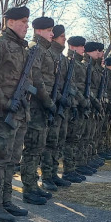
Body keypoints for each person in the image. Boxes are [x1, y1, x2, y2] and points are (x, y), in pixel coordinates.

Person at [0, 7, 32, 222]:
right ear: (9, 22)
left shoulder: (22, 48)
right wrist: (3, 101)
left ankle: (7, 200)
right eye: (22, 21)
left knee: (12, 159)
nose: (26, 25)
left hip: (19, 112)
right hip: (2, 113)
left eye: (27, 21)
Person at [20, 16, 56, 204]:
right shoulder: (35, 48)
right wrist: (48, 102)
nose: (52, 34)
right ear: (40, 30)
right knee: (32, 148)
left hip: (42, 105)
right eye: (50, 30)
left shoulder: (43, 49)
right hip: (36, 105)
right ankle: (28, 189)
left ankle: (33, 185)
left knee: (38, 147)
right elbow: (37, 79)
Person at [39, 24, 72, 190]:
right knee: (49, 142)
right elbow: (47, 83)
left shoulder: (61, 58)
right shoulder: (49, 54)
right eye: (62, 36)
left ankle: (53, 173)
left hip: (59, 105)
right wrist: (57, 99)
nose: (64, 39)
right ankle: (46, 176)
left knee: (58, 142)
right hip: (50, 104)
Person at [62, 35, 91, 182]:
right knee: (70, 139)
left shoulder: (79, 64)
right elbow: (72, 86)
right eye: (81, 46)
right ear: (73, 47)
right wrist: (82, 100)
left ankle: (73, 168)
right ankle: (68, 170)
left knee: (76, 138)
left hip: (78, 105)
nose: (83, 49)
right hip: (73, 104)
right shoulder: (70, 62)